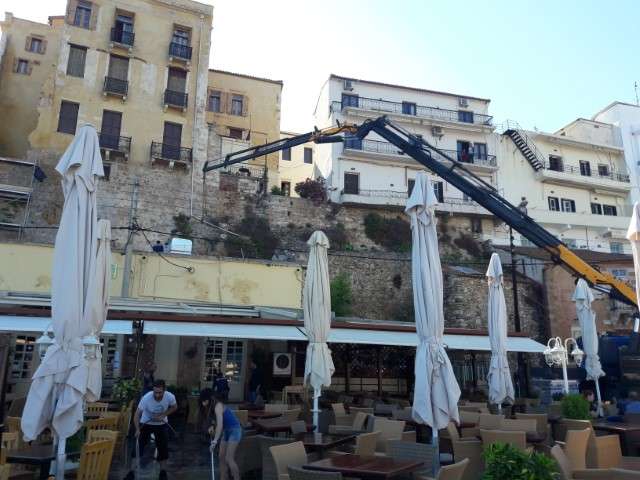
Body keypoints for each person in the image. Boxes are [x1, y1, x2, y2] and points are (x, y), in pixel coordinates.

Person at [124, 379, 177, 480]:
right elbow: (137, 414)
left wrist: (164, 414)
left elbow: (175, 407)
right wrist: (137, 429)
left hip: (161, 424)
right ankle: (131, 473)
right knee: (138, 446)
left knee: (163, 448)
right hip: (146, 423)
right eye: (155, 392)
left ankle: (163, 473)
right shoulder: (146, 398)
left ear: (164, 390)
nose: (157, 395)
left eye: (160, 393)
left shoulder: (170, 397)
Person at [208, 392, 242, 480]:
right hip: (227, 431)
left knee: (229, 458)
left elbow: (220, 425)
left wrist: (215, 441)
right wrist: (212, 427)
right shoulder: (212, 408)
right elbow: (215, 423)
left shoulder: (218, 405)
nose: (203, 403)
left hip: (235, 430)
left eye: (204, 401)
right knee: (221, 457)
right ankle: (223, 478)